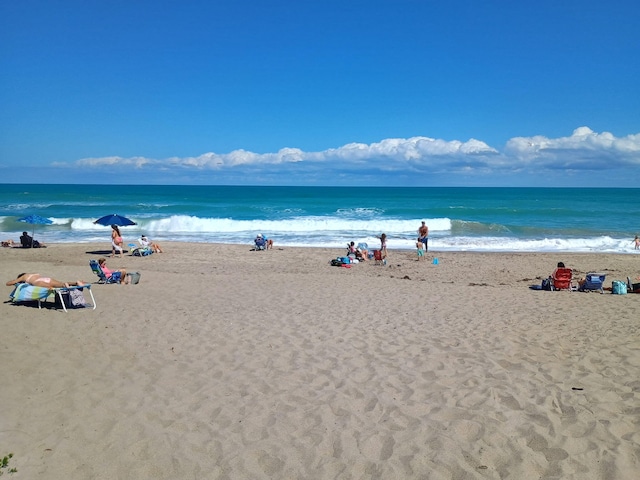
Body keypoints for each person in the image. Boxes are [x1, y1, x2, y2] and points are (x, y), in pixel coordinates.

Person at [7, 273, 85, 289]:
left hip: (38, 282)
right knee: (60, 284)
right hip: (47, 278)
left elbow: (11, 283)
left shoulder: (24, 277)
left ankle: (65, 285)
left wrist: (10, 282)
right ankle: (76, 282)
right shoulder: (33, 274)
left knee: (53, 288)